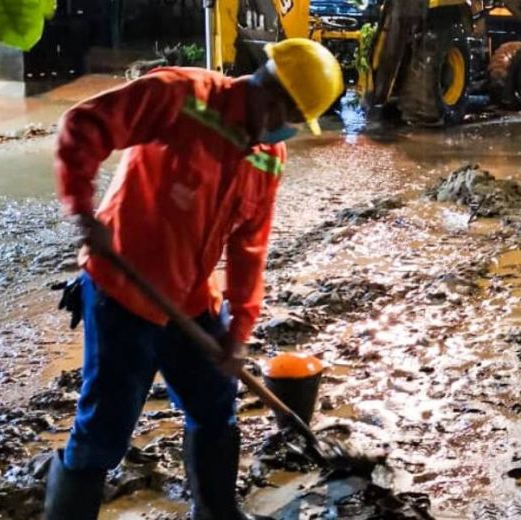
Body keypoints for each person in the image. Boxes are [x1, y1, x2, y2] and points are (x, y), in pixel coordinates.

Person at [44, 39, 343, 519]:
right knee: (104, 429)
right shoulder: (180, 95)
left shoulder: (268, 155)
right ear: (273, 100)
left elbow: (249, 247)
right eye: (290, 118)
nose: (286, 131)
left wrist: (238, 329)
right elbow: (83, 125)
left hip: (189, 300)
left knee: (214, 405)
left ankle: (217, 512)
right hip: (123, 291)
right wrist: (82, 210)